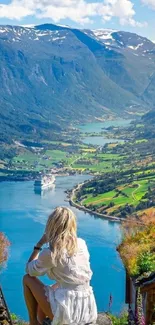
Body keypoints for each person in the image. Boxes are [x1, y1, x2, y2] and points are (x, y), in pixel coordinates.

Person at [23, 207, 97, 325]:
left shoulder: (51, 252)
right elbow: (73, 278)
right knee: (52, 289)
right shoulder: (81, 244)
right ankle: (41, 322)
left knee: (27, 279)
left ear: (51, 226)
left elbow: (29, 270)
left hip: (67, 313)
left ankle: (33, 322)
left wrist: (39, 245)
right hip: (87, 309)